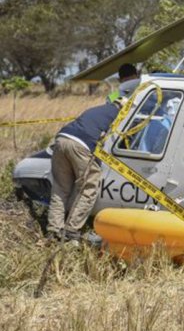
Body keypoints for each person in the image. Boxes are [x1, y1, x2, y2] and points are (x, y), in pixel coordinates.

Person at [47, 98, 125, 244]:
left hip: (61, 139)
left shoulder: (98, 109)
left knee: (60, 189)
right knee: (88, 188)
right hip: (81, 145)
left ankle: (53, 230)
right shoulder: (120, 115)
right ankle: (71, 230)